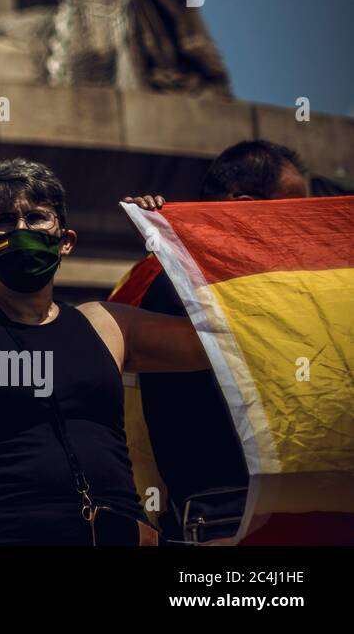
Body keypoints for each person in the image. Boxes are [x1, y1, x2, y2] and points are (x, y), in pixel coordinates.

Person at [0, 158, 211, 545]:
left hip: (118, 533)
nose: (21, 231)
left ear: (66, 241)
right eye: (4, 220)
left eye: (36, 218)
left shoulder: (107, 324)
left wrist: (171, 246)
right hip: (5, 536)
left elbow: (213, 345)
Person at [116, 139, 309, 540]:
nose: (302, 223)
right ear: (243, 206)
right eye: (292, 209)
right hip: (227, 515)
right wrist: (175, 246)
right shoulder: (180, 285)